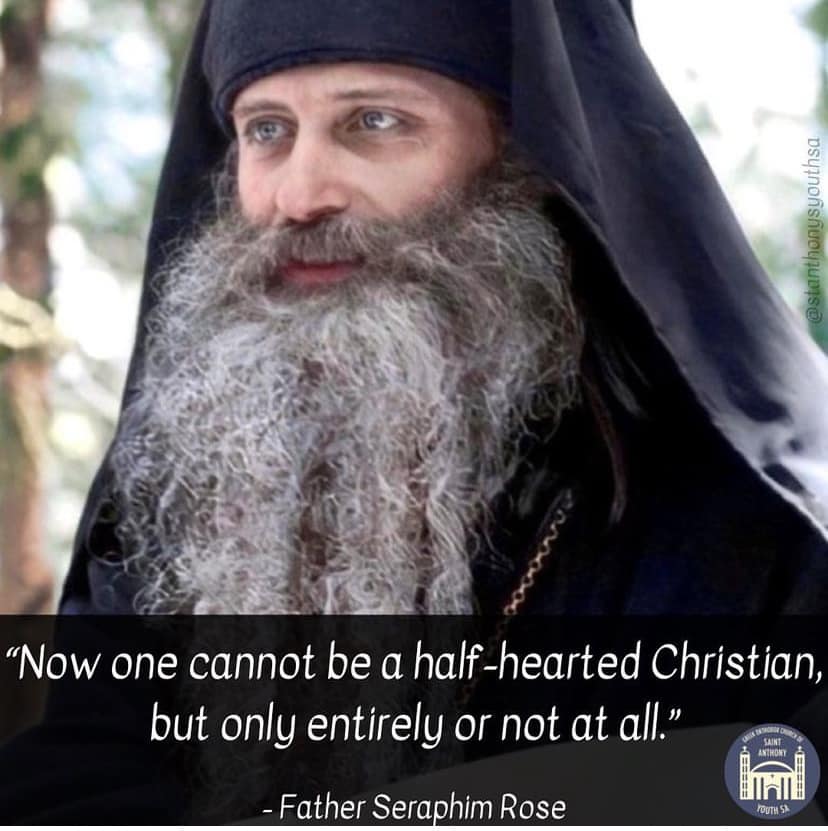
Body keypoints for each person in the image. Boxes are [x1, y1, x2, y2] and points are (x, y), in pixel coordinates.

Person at [2, 0, 827, 821]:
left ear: (528, 159)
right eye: (266, 130)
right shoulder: (184, 489)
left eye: (374, 121)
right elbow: (84, 773)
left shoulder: (753, 529)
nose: (300, 194)